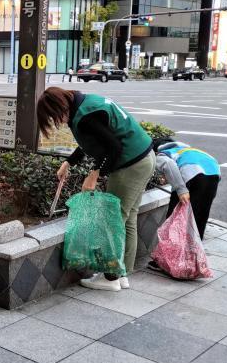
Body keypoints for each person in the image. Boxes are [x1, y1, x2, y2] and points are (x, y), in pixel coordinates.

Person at [37, 87, 155, 291]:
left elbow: (113, 148)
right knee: (127, 218)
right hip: (145, 159)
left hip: (130, 165)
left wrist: (93, 175)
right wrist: (69, 163)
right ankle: (122, 274)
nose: (59, 122)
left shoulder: (85, 117)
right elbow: (93, 140)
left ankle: (110, 279)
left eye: (55, 117)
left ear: (60, 107)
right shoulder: (83, 103)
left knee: (112, 220)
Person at [152, 137, 220, 239]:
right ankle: (195, 249)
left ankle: (172, 248)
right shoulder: (189, 150)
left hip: (192, 174)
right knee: (200, 216)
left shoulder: (164, 153)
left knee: (174, 216)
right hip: (214, 173)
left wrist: (181, 189)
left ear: (156, 150)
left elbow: (168, 165)